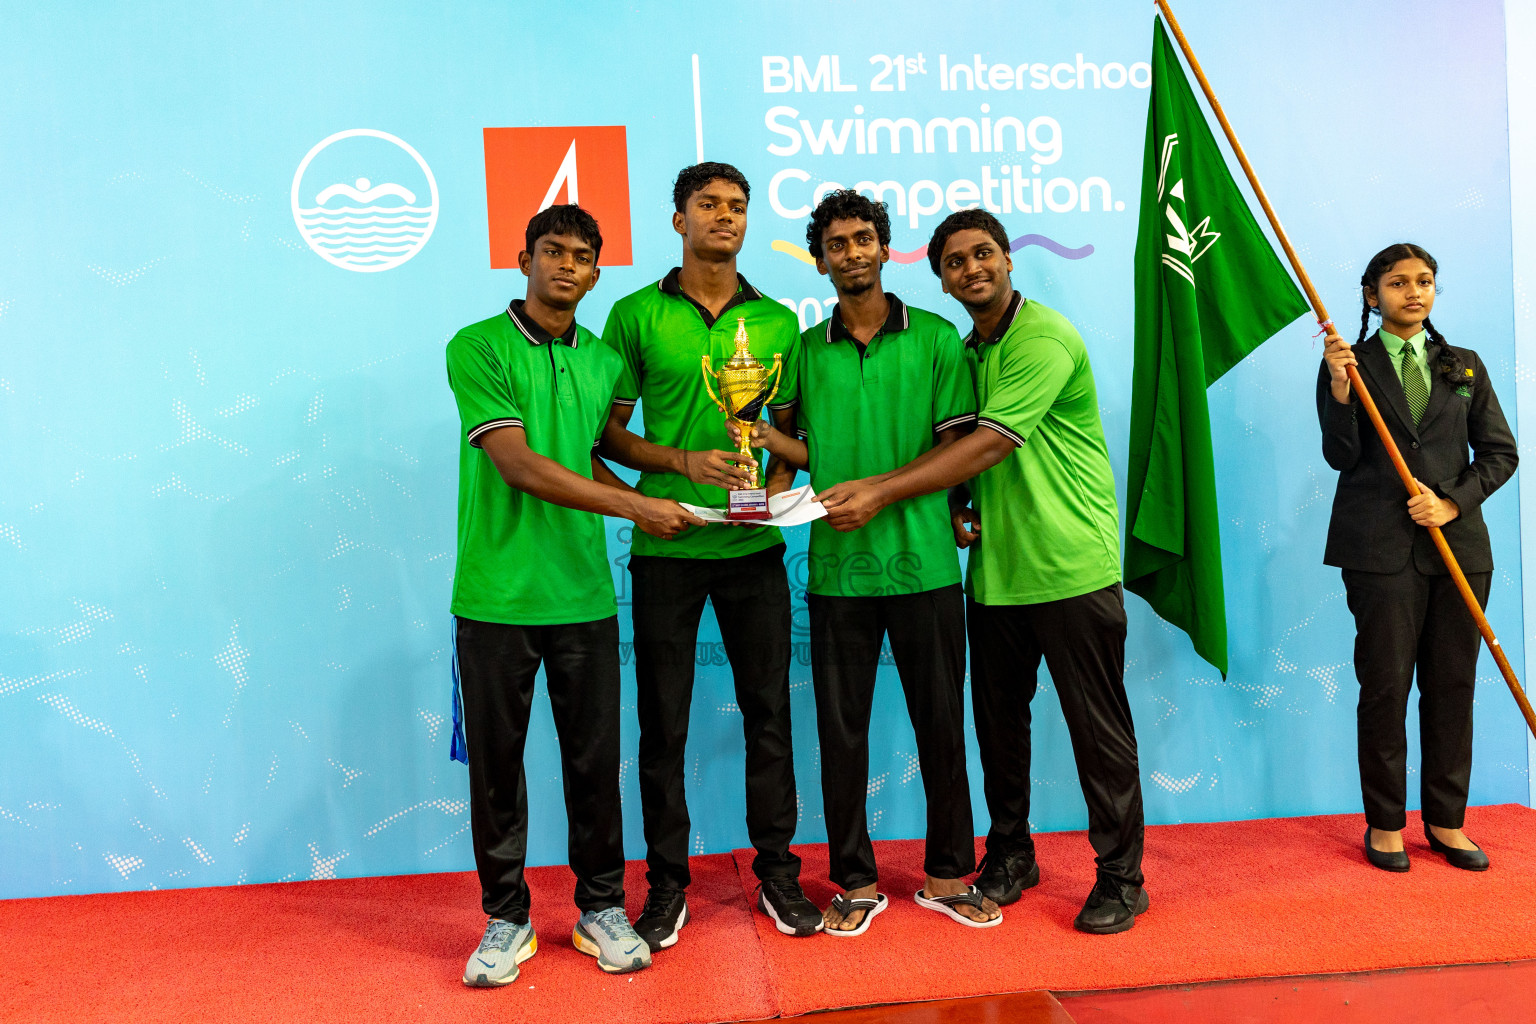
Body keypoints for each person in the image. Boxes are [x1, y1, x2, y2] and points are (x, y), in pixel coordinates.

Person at [811, 209, 1148, 934]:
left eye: (983, 254)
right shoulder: (968, 350)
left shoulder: (1042, 338)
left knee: (1099, 733)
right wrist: (959, 504)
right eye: (956, 262)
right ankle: (1012, 855)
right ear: (939, 276)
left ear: (1008, 259)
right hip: (994, 576)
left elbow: (991, 442)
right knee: (1000, 732)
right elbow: (960, 455)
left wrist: (875, 492)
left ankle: (1122, 877)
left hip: (1071, 569)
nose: (972, 270)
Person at [446, 204, 703, 987]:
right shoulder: (477, 346)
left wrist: (678, 472)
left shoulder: (600, 361)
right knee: (498, 768)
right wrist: (637, 506)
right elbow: (520, 463)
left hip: (585, 598)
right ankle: (506, 919)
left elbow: (587, 460)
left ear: (597, 272)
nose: (567, 265)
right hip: (495, 598)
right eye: (552, 251)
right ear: (522, 260)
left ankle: (599, 908)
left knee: (594, 763)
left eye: (582, 256)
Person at [735, 190, 999, 934]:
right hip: (837, 573)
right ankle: (853, 881)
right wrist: (759, 447)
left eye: (863, 239)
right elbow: (810, 453)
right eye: (836, 244)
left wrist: (940, 507)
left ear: (886, 249)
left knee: (943, 727)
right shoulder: (803, 355)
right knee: (841, 735)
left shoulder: (939, 339)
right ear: (820, 262)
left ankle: (949, 874)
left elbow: (957, 451)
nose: (851, 253)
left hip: (925, 569)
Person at [598, 162, 821, 946]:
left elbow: (791, 438)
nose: (723, 218)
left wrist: (775, 494)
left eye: (736, 207)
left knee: (770, 715)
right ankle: (664, 888)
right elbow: (610, 436)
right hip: (668, 552)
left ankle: (779, 877)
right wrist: (680, 465)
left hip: (751, 551)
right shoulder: (633, 315)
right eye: (707, 206)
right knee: (664, 727)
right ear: (677, 220)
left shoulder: (778, 324)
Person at [1318, 242, 1516, 873]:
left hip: (1458, 551)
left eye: (1425, 281)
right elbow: (1340, 457)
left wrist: (1452, 504)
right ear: (1371, 296)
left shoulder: (1464, 367)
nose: (1414, 291)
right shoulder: (1350, 364)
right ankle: (1385, 823)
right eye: (1397, 282)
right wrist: (1340, 390)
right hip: (1379, 555)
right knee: (1385, 687)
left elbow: (1500, 454)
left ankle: (1446, 822)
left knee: (1453, 686)